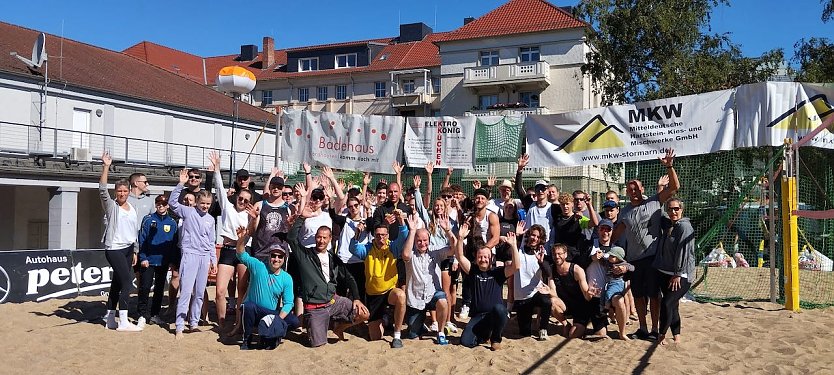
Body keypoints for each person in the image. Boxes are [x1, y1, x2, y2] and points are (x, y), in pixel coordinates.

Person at [612, 148, 679, 340]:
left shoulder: (654, 201)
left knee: (654, 296)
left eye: (636, 188)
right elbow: (614, 235)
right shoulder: (624, 212)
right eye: (630, 189)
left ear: (642, 189)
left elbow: (674, 186)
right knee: (639, 296)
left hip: (652, 258)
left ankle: (655, 329)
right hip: (634, 260)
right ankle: (642, 328)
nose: (633, 191)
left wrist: (669, 166)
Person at [287, 218, 369, 348]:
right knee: (318, 344)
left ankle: (338, 328)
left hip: (333, 302)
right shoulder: (305, 255)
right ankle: (314, 327)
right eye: (319, 237)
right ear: (315, 238)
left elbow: (349, 278)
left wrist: (357, 298)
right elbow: (291, 238)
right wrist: (301, 218)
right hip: (315, 308)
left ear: (330, 238)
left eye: (325, 238)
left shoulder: (333, 258)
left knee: (363, 313)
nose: (321, 241)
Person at [169, 167, 217, 339]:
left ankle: (194, 322)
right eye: (202, 203)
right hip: (190, 254)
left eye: (207, 204)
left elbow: (211, 241)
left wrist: (213, 260)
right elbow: (172, 203)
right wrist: (180, 184)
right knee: (187, 291)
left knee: (199, 292)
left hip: (204, 256)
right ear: (196, 201)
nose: (205, 206)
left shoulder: (211, 219)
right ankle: (180, 326)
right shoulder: (188, 212)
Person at [455, 222, 520, 350]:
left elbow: (516, 266)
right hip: (478, 317)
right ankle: (484, 336)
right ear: (476, 258)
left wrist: (513, 246)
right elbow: (460, 256)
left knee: (500, 309)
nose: (483, 259)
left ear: (491, 259)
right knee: (466, 342)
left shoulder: (498, 272)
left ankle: (496, 339)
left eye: (486, 257)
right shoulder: (473, 271)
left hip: (495, 315)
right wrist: (460, 238)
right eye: (480, 257)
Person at [208, 152, 253, 333]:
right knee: (220, 291)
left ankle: (238, 324)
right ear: (236, 197)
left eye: (246, 200)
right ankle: (222, 322)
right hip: (227, 249)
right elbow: (219, 188)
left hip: (243, 251)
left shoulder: (250, 215)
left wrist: (252, 222)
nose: (242, 201)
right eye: (240, 198)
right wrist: (217, 169)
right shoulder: (228, 207)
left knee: (242, 290)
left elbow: (252, 231)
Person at [233, 227, 299, 350]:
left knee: (294, 321)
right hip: (254, 311)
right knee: (248, 306)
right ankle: (247, 338)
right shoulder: (258, 265)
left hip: (271, 314)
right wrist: (241, 240)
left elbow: (288, 303)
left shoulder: (286, 278)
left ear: (284, 259)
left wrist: (277, 321)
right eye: (273, 255)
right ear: (269, 256)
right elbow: (241, 254)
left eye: (280, 257)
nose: (276, 259)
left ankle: (272, 333)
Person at [99, 151, 142, 332]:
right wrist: (106, 166)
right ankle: (123, 321)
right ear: (116, 192)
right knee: (126, 282)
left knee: (117, 283)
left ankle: (110, 319)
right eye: (119, 191)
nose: (122, 193)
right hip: (114, 248)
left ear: (128, 191)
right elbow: (102, 190)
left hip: (127, 248)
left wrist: (135, 250)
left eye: (125, 191)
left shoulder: (132, 207)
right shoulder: (112, 206)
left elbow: (134, 231)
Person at [351, 214, 409, 348]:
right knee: (376, 337)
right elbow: (353, 248)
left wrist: (401, 222)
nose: (380, 238)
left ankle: (397, 335)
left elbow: (403, 236)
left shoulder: (393, 248)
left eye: (383, 235)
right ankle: (384, 319)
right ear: (373, 236)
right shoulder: (367, 249)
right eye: (378, 235)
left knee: (401, 295)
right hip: (373, 296)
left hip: (389, 291)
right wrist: (357, 234)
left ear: (388, 235)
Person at [413, 175, 459, 334]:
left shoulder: (450, 222)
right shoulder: (429, 221)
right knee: (431, 287)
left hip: (445, 257)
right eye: (436, 205)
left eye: (441, 205)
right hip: (431, 257)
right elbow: (420, 208)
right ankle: (434, 321)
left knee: (445, 290)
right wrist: (417, 190)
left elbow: (454, 242)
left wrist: (455, 259)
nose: (438, 207)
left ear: (445, 206)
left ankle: (446, 321)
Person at [401, 214, 455, 345]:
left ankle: (441, 332)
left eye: (425, 240)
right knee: (413, 334)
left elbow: (454, 248)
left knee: (442, 300)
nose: (422, 243)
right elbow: (405, 254)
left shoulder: (435, 252)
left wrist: (448, 231)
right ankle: (420, 325)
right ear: (415, 242)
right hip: (416, 299)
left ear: (429, 240)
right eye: (419, 241)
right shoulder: (411, 254)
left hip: (432, 294)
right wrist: (413, 231)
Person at [653, 198, 696, 345]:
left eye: (676, 209)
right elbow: (659, 210)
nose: (673, 212)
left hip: (681, 274)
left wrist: (678, 274)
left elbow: (683, 252)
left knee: (667, 303)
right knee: (673, 305)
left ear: (682, 209)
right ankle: (677, 335)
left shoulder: (684, 227)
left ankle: (661, 335)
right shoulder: (669, 224)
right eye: (670, 209)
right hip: (664, 272)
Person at [137, 195, 178, 327]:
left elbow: (173, 243)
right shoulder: (148, 219)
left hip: (163, 261)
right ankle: (142, 315)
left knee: (160, 289)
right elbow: (142, 240)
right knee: (145, 287)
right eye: (158, 203)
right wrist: (143, 258)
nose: (161, 206)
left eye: (163, 203)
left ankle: (155, 314)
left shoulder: (172, 222)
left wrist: (172, 260)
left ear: (167, 206)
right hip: (148, 260)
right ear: (155, 205)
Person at [549, 243, 598, 339]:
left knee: (573, 335)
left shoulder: (576, 270)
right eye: (554, 254)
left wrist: (590, 293)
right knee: (551, 302)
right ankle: (565, 324)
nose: (557, 256)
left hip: (580, 307)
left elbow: (586, 296)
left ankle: (580, 326)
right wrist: (548, 291)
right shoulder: (551, 269)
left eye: (560, 254)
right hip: (565, 305)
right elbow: (553, 294)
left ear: (565, 254)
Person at [513, 223, 552, 340]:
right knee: (524, 333)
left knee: (546, 301)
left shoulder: (542, 253)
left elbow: (548, 273)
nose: (534, 238)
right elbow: (510, 249)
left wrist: (541, 261)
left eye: (537, 237)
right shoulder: (519, 248)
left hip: (535, 292)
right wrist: (517, 235)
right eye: (532, 235)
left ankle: (543, 329)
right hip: (521, 297)